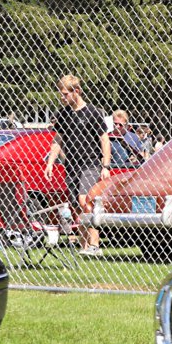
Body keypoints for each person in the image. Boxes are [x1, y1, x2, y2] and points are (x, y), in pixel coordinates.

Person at [43, 74, 111, 256]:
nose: (62, 97)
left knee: (85, 200)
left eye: (65, 94)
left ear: (77, 91)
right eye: (61, 93)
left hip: (91, 163)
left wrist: (106, 166)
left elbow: (105, 139)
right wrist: (50, 163)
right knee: (76, 205)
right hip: (71, 165)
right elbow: (57, 140)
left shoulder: (92, 112)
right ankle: (84, 247)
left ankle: (95, 245)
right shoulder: (63, 114)